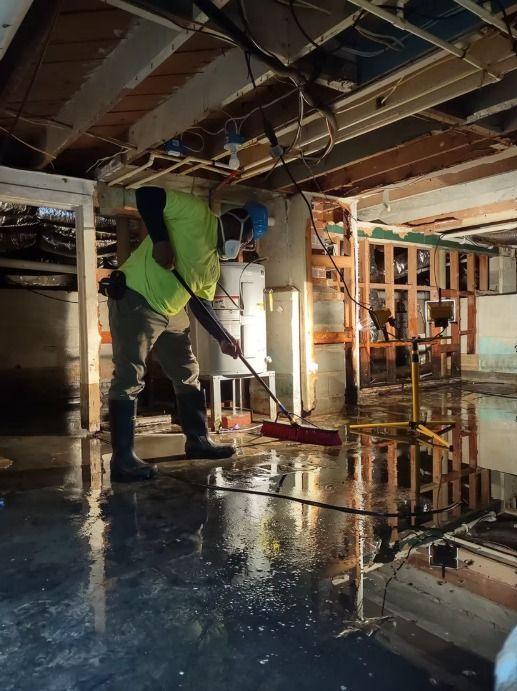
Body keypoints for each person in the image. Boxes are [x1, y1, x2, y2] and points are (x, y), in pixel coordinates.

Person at [107, 186, 255, 482]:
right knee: (130, 375)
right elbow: (147, 195)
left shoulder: (212, 266)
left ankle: (197, 441)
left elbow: (201, 304)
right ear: (234, 225)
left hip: (172, 311)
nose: (239, 248)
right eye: (244, 240)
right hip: (139, 298)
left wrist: (222, 337)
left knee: (187, 371)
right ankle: (122, 459)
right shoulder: (196, 213)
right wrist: (161, 240)